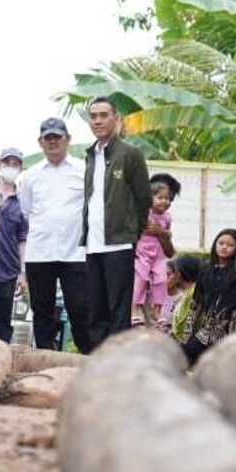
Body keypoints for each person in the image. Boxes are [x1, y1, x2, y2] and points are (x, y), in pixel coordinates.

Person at [83, 97, 153, 349]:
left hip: (119, 244)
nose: (98, 121)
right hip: (92, 244)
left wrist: (131, 232)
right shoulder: (90, 155)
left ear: (116, 118)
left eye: (103, 115)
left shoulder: (130, 154)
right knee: (95, 308)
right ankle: (96, 360)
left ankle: (117, 362)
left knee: (118, 310)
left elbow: (144, 197)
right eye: (93, 116)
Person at [18, 118, 92, 353]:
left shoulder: (84, 169)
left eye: (57, 137)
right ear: (40, 142)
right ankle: (44, 357)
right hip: (40, 253)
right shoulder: (29, 175)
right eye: (47, 138)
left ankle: (86, 358)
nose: (52, 142)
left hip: (76, 253)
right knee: (42, 310)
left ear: (67, 140)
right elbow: (26, 210)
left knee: (80, 308)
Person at [182, 228, 236, 364]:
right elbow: (196, 303)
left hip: (230, 330)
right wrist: (188, 333)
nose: (224, 247)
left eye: (230, 245)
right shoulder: (206, 269)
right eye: (221, 243)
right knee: (186, 351)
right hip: (207, 329)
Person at [0, 147, 29, 344]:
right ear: (0, 165)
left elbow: (23, 238)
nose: (11, 167)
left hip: (8, 267)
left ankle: (2, 353)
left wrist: (22, 272)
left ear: (21, 168)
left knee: (3, 317)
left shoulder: (22, 200)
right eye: (7, 163)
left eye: (15, 164)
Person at [133, 173, 179, 327]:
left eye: (169, 199)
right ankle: (135, 308)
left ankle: (156, 310)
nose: (165, 202)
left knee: (160, 280)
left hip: (157, 261)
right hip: (139, 259)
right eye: (161, 197)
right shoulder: (142, 212)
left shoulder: (166, 218)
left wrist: (163, 233)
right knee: (140, 279)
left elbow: (169, 252)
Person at [166, 256, 202, 342]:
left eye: (170, 273)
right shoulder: (188, 292)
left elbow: (183, 324)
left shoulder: (192, 294)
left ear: (179, 274)